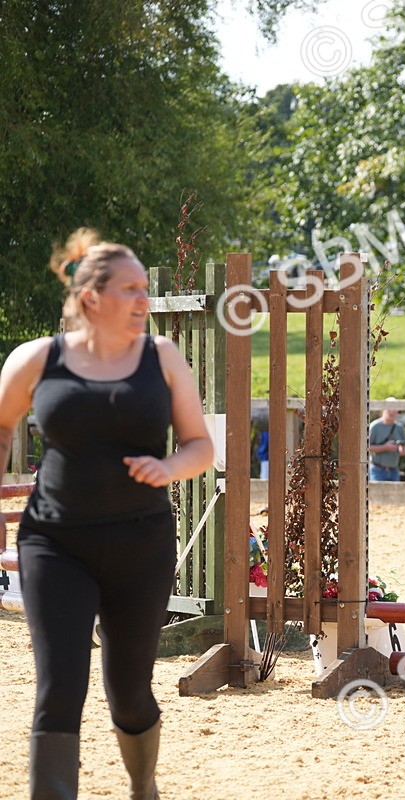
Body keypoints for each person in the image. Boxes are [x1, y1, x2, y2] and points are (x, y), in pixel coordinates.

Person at [0, 228, 213, 797]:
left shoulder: (161, 357)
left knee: (129, 688)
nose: (145, 300)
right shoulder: (36, 360)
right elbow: (1, 425)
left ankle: (144, 788)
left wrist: (169, 468)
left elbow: (199, 444)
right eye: (131, 289)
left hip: (140, 544)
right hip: (54, 543)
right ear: (91, 297)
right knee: (59, 686)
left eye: (146, 287)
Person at [367, 398, 405, 482]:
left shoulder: (400, 428)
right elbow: (365, 448)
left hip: (394, 470)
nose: (392, 411)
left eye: (395, 408)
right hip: (377, 470)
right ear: (383, 409)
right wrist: (385, 447)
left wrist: (402, 450)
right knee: (377, 495)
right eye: (389, 408)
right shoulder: (374, 427)